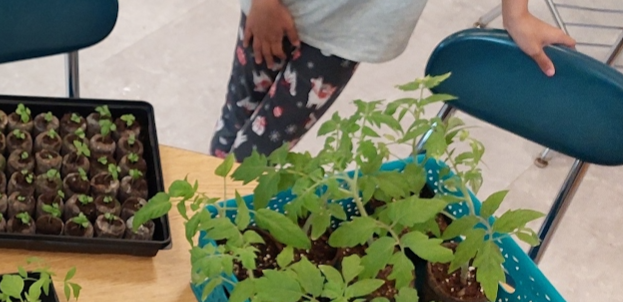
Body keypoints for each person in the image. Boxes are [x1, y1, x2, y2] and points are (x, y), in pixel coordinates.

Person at [210, 0, 576, 159]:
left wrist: (517, 15)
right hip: (273, 9)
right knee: (236, 126)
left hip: (349, 29)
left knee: (256, 152)